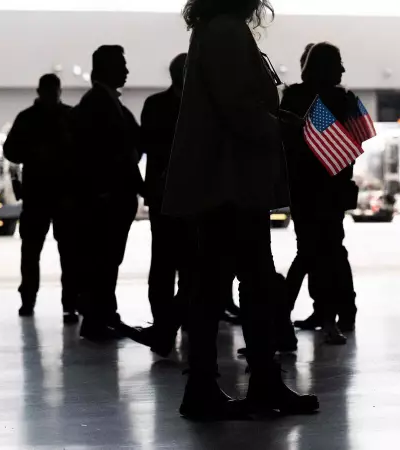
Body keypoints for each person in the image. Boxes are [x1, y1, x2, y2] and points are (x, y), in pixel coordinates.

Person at [163, 0, 318, 420]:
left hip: (224, 180)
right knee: (248, 282)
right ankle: (251, 382)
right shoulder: (227, 31)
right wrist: (280, 127)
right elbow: (238, 108)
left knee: (222, 282)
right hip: (231, 180)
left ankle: (213, 383)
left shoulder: (212, 30)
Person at [280, 42, 359, 345]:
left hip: (305, 188)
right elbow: (349, 148)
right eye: (338, 63)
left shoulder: (295, 97)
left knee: (311, 253)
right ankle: (329, 317)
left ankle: (285, 317)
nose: (343, 69)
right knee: (327, 252)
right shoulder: (341, 100)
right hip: (327, 188)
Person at [70, 45, 144, 342]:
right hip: (106, 199)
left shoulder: (104, 102)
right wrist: (102, 191)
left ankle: (103, 315)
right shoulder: (99, 105)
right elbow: (100, 153)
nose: (126, 71)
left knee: (105, 260)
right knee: (103, 260)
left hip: (109, 197)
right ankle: (97, 319)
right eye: (121, 65)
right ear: (106, 68)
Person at [3, 74, 79, 324]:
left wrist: (32, 153)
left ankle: (29, 300)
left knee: (33, 251)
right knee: (67, 252)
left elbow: (11, 151)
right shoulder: (69, 116)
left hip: (37, 194)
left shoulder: (27, 118)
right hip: (63, 195)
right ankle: (70, 303)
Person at [137, 53, 190, 356]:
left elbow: (146, 145)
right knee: (168, 264)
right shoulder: (198, 107)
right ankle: (166, 325)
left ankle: (165, 327)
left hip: (171, 195)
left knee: (171, 264)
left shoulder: (155, 105)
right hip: (171, 196)